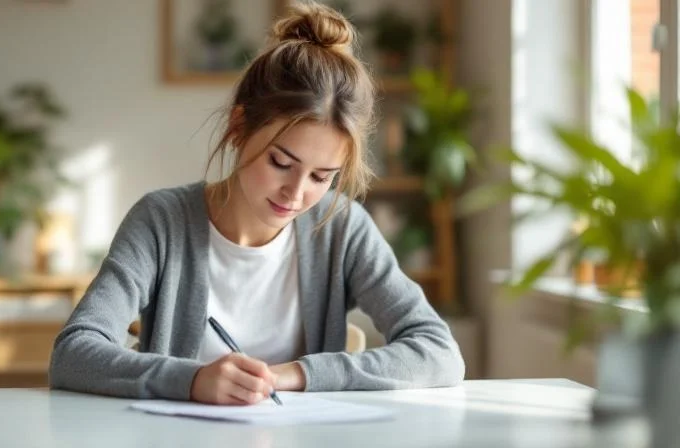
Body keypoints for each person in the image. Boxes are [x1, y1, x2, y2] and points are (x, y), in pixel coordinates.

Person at [49, 0, 464, 405]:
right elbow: (73, 353)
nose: (297, 193)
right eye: (281, 162)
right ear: (239, 125)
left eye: (322, 176)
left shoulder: (342, 229)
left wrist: (296, 374)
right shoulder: (162, 222)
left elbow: (439, 353)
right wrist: (192, 379)